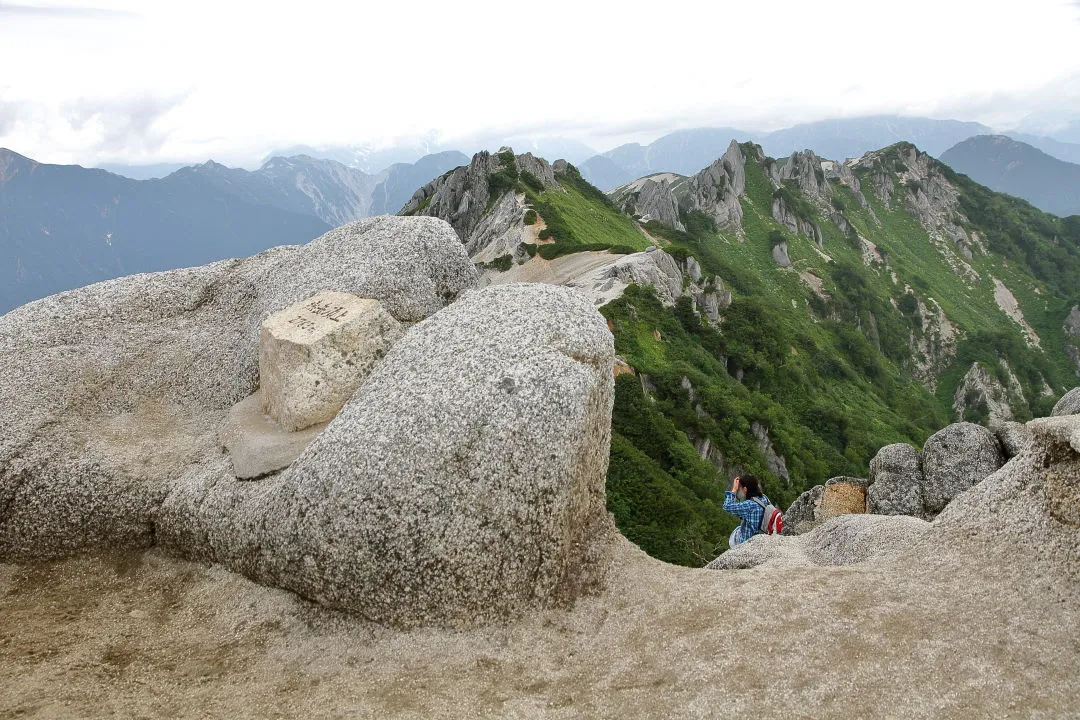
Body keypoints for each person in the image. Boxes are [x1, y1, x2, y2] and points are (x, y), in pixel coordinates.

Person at [723, 474, 772, 548]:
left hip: (747, 541)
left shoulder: (749, 505)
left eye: (742, 488)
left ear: (745, 489)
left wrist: (734, 489)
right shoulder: (764, 498)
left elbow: (727, 506)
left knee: (734, 535)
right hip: (763, 533)